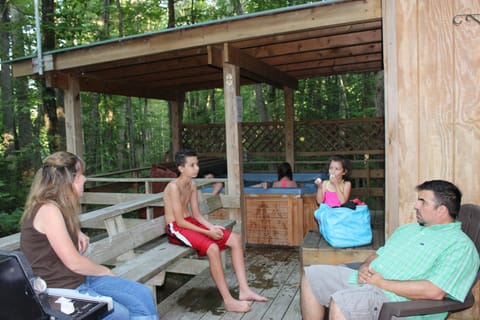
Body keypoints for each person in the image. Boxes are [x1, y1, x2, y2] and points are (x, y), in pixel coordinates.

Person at [301, 179, 480, 320]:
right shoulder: (408, 229)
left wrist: (381, 283)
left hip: (398, 302)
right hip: (368, 281)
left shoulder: (460, 247)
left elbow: (434, 291)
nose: (416, 205)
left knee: (342, 302)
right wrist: (364, 266)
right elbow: (377, 254)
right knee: (312, 275)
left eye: (422, 202)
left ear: (441, 210)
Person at [20, 151, 160, 320]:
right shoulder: (48, 210)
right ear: (68, 179)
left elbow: (56, 234)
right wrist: (106, 271)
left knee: (142, 293)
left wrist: (76, 231)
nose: (85, 179)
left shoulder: (57, 208)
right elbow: (75, 263)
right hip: (60, 290)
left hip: (79, 279)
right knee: (121, 313)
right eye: (80, 174)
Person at [163, 149, 268, 313]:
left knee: (235, 238)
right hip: (176, 228)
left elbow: (196, 214)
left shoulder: (192, 184)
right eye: (192, 165)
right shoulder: (173, 187)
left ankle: (245, 290)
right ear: (181, 168)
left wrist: (211, 227)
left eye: (197, 164)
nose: (196, 168)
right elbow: (180, 221)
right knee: (212, 248)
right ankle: (228, 301)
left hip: (188, 223)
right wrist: (207, 233)